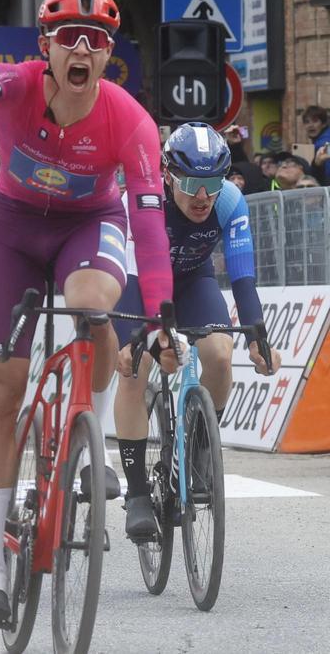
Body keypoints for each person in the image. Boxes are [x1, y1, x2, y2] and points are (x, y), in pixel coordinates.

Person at [0, 0, 176, 624]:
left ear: (107, 56)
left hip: (87, 224)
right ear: (45, 46)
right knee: (1, 388)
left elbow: (150, 223)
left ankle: (91, 437)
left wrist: (158, 312)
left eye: (96, 40)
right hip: (13, 227)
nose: (82, 48)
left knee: (93, 302)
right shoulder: (16, 84)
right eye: (68, 37)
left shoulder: (130, 120)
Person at [113, 123, 281, 538]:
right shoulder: (141, 199)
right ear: (168, 175)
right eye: (190, 183)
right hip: (140, 282)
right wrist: (133, 339)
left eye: (213, 182)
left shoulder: (230, 200)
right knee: (135, 368)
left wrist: (257, 335)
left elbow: (243, 278)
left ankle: (199, 452)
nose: (203, 195)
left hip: (192, 280)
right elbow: (130, 277)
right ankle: (136, 493)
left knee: (222, 355)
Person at [301, 105, 330, 184]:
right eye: (307, 122)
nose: (310, 125)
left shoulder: (322, 144)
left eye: (315, 121)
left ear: (323, 124)